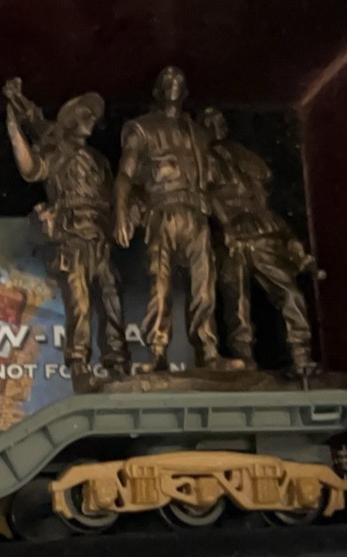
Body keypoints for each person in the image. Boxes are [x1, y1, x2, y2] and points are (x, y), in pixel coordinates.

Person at [113, 66, 241, 373]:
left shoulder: (197, 133)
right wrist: (120, 213)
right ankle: (157, 351)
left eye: (179, 81)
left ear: (185, 91)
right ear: (157, 90)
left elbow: (210, 185)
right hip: (163, 211)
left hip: (196, 213)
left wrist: (226, 226)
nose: (174, 84)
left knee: (204, 285)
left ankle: (208, 350)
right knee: (160, 283)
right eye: (167, 80)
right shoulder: (141, 128)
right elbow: (125, 176)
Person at [4, 79, 129, 382]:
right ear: (71, 119)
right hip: (72, 237)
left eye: (94, 116)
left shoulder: (99, 161)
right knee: (80, 304)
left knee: (111, 300)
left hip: (99, 236)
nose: (91, 120)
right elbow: (31, 168)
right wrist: (15, 127)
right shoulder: (58, 152)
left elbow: (114, 199)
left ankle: (117, 363)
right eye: (86, 114)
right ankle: (79, 365)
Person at [200, 107, 318, 373]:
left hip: (263, 236)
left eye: (220, 120)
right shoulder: (202, 161)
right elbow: (206, 197)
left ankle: (301, 355)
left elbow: (264, 206)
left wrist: (291, 241)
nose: (217, 125)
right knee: (237, 304)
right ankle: (244, 358)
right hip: (230, 240)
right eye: (210, 121)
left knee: (290, 293)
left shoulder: (244, 159)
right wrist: (225, 228)